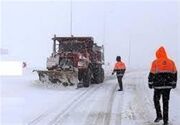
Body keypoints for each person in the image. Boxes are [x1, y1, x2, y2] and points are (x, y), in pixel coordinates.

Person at [148, 46, 177, 125]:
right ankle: (165, 121)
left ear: (158, 54)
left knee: (156, 100)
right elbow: (175, 73)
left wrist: (150, 83)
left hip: (158, 86)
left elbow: (151, 74)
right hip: (167, 86)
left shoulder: (155, 62)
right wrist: (174, 83)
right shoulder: (171, 62)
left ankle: (159, 115)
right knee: (165, 102)